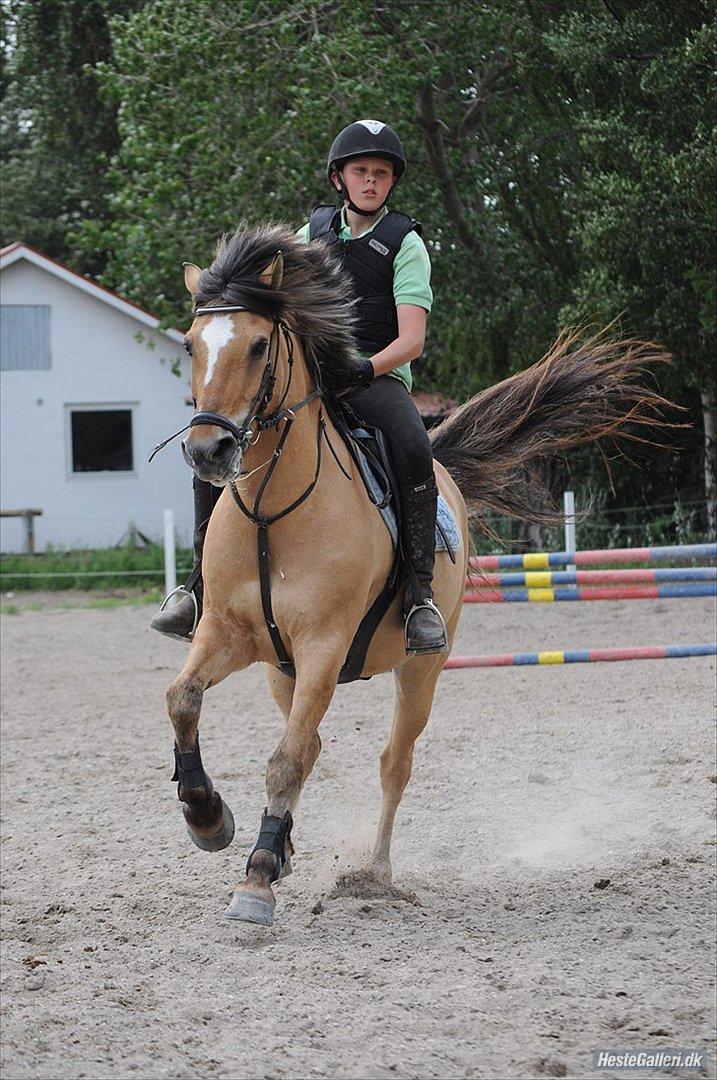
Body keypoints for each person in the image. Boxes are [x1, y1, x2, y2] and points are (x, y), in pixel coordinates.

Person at [151, 119, 447, 654]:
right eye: (361, 172)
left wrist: (363, 369)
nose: (372, 182)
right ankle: (195, 588)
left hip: (373, 378)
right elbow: (263, 302)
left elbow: (412, 341)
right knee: (212, 441)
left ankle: (421, 593)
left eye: (381, 174)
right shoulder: (312, 235)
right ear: (340, 178)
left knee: (412, 446)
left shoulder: (406, 244)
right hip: (307, 380)